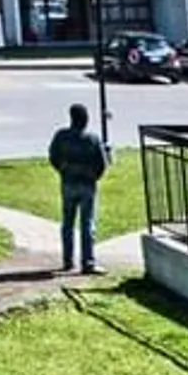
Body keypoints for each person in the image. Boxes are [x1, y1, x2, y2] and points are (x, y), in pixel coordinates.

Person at [47, 103, 110, 275]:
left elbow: (53, 156)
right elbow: (102, 164)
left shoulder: (61, 137)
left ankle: (68, 260)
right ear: (85, 120)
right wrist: (93, 176)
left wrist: (63, 170)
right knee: (87, 223)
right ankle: (88, 262)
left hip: (68, 183)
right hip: (87, 185)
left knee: (67, 222)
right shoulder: (93, 139)